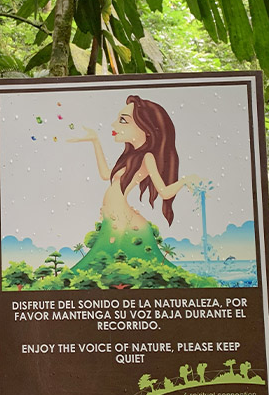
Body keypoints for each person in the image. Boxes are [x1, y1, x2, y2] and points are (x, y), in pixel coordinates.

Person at [68, 94, 199, 269]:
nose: (114, 124)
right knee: (109, 265)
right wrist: (95, 141)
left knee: (119, 266)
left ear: (146, 129)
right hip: (114, 217)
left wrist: (185, 180)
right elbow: (105, 174)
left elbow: (164, 192)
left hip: (122, 219)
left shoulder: (147, 157)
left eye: (123, 120)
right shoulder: (130, 156)